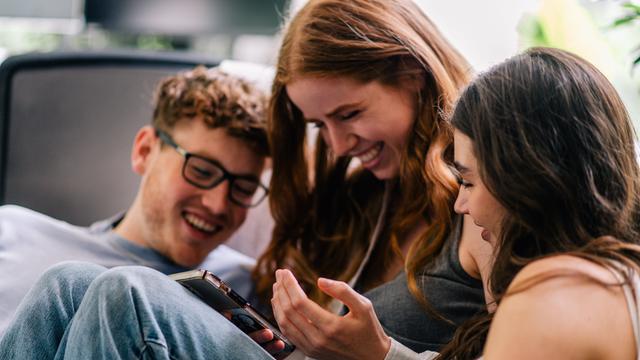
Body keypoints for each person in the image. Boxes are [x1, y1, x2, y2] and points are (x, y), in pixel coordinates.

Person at [0, 0, 492, 358]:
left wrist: (381, 354)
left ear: (412, 73)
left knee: (127, 293)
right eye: (321, 127)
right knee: (68, 283)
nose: (339, 147)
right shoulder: (360, 202)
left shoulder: (484, 202)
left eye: (349, 113)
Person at [0, 66, 270, 334]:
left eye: (243, 189)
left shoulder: (252, 290)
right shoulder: (14, 235)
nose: (217, 204)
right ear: (145, 150)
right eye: (201, 171)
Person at [437, 47, 640, 359]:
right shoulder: (616, 278)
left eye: (468, 182)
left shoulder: (552, 296)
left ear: (524, 180)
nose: (460, 206)